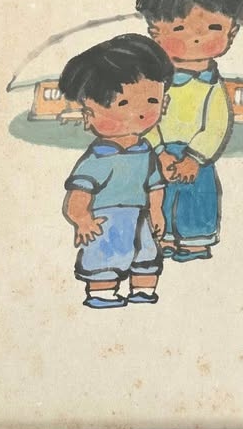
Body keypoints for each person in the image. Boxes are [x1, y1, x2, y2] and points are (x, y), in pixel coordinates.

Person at [135, 0, 243, 261]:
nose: (196, 38)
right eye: (180, 29)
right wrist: (159, 151)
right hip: (158, 154)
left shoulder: (213, 86)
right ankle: (163, 239)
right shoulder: (154, 80)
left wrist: (195, 158)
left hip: (197, 158)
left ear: (232, 32)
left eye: (213, 28)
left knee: (198, 200)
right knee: (158, 197)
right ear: (155, 33)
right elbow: (145, 118)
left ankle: (195, 242)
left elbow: (217, 125)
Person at [60, 34, 174, 308]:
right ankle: (102, 293)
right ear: (89, 115)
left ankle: (143, 289)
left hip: (141, 216)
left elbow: (155, 185)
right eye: (123, 104)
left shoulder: (146, 150)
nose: (140, 112)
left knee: (146, 254)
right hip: (108, 219)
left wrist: (157, 211)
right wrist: (82, 219)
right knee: (106, 256)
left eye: (151, 100)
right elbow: (79, 194)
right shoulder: (97, 159)